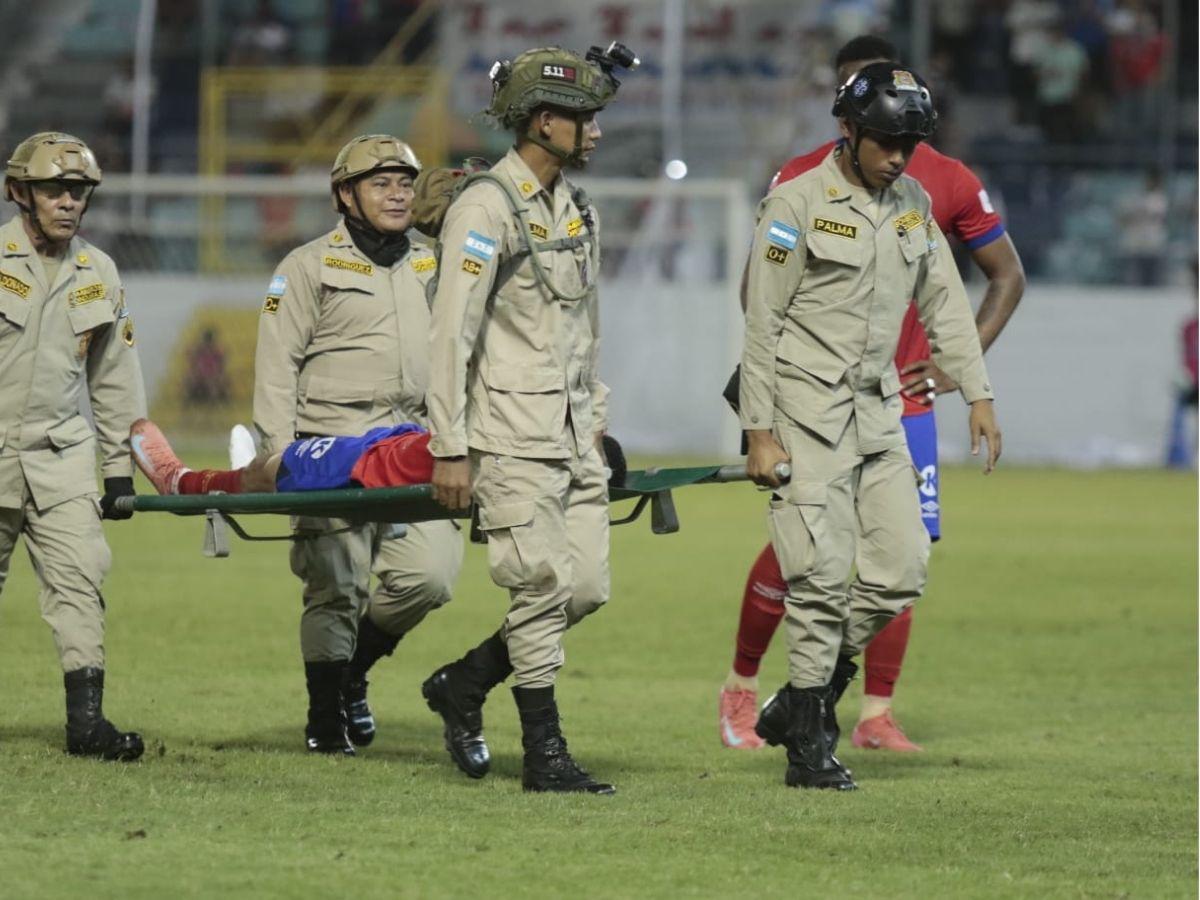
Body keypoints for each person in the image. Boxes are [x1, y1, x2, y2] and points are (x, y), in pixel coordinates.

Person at [719, 35, 1026, 755]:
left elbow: (948, 300)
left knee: (901, 572)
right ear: (849, 129)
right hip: (804, 407)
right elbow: (760, 318)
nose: (898, 158)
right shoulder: (795, 199)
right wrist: (759, 429)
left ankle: (802, 694)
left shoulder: (917, 199)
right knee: (820, 576)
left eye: (908, 145)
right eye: (887, 143)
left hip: (882, 405)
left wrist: (975, 389)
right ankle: (808, 747)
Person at [425, 43, 637, 794]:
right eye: (585, 119)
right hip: (509, 435)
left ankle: (465, 682)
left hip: (573, 434)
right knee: (540, 585)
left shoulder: (574, 207)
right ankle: (544, 754)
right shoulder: (486, 207)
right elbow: (451, 334)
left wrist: (599, 423)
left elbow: (585, 332)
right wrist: (450, 447)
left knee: (585, 590)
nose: (597, 133)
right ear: (545, 122)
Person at [253, 134, 463, 755]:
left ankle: (353, 674)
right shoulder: (304, 266)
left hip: (413, 447)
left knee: (430, 579)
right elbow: (274, 368)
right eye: (380, 183)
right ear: (346, 195)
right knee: (336, 589)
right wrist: (276, 456)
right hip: (329, 449)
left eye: (405, 183)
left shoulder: (434, 260)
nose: (397, 194)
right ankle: (325, 721)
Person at [0, 132, 147, 760]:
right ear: (19, 193)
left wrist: (119, 470)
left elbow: (116, 379)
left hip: (63, 459)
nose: (68, 202)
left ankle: (87, 727)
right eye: (55, 190)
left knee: (81, 582)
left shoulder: (99, 272)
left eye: (78, 191)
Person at [130, 418, 433, 495]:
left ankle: (184, 482)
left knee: (278, 466)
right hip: (412, 444)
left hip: (411, 457)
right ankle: (193, 481)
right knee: (280, 464)